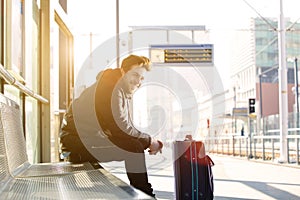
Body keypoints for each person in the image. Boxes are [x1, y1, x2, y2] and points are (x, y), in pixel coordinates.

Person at [60, 55, 163, 198]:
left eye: (142, 78)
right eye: (135, 74)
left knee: (135, 144)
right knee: (134, 147)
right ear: (123, 71)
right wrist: (150, 141)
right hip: (77, 144)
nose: (139, 81)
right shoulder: (111, 88)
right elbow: (120, 128)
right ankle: (146, 195)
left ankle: (145, 194)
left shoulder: (118, 88)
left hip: (86, 140)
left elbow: (123, 129)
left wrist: (146, 140)